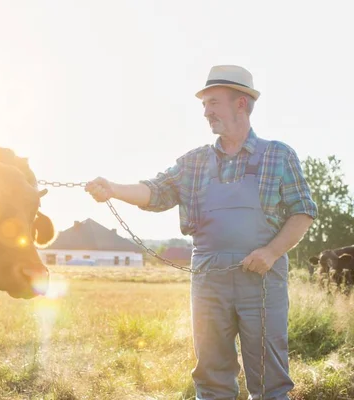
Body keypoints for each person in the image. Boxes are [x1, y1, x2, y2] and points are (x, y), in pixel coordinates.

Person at [85, 65, 317, 399]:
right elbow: (155, 191)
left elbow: (303, 211)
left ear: (241, 103)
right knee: (211, 377)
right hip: (209, 280)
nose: (206, 112)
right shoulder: (193, 162)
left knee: (269, 378)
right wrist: (113, 189)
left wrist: (271, 252)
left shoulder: (278, 155)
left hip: (263, 280)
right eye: (204, 105)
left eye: (213, 103)